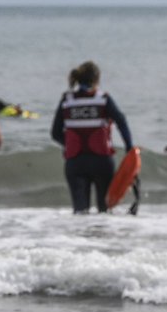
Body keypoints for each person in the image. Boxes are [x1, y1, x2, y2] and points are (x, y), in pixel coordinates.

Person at [51, 61, 133, 213]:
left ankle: (82, 237)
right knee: (105, 211)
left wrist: (70, 143)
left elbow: (55, 133)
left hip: (75, 162)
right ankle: (103, 236)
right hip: (101, 162)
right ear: (96, 80)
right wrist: (129, 148)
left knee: (80, 212)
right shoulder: (103, 99)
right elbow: (121, 122)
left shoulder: (67, 101)